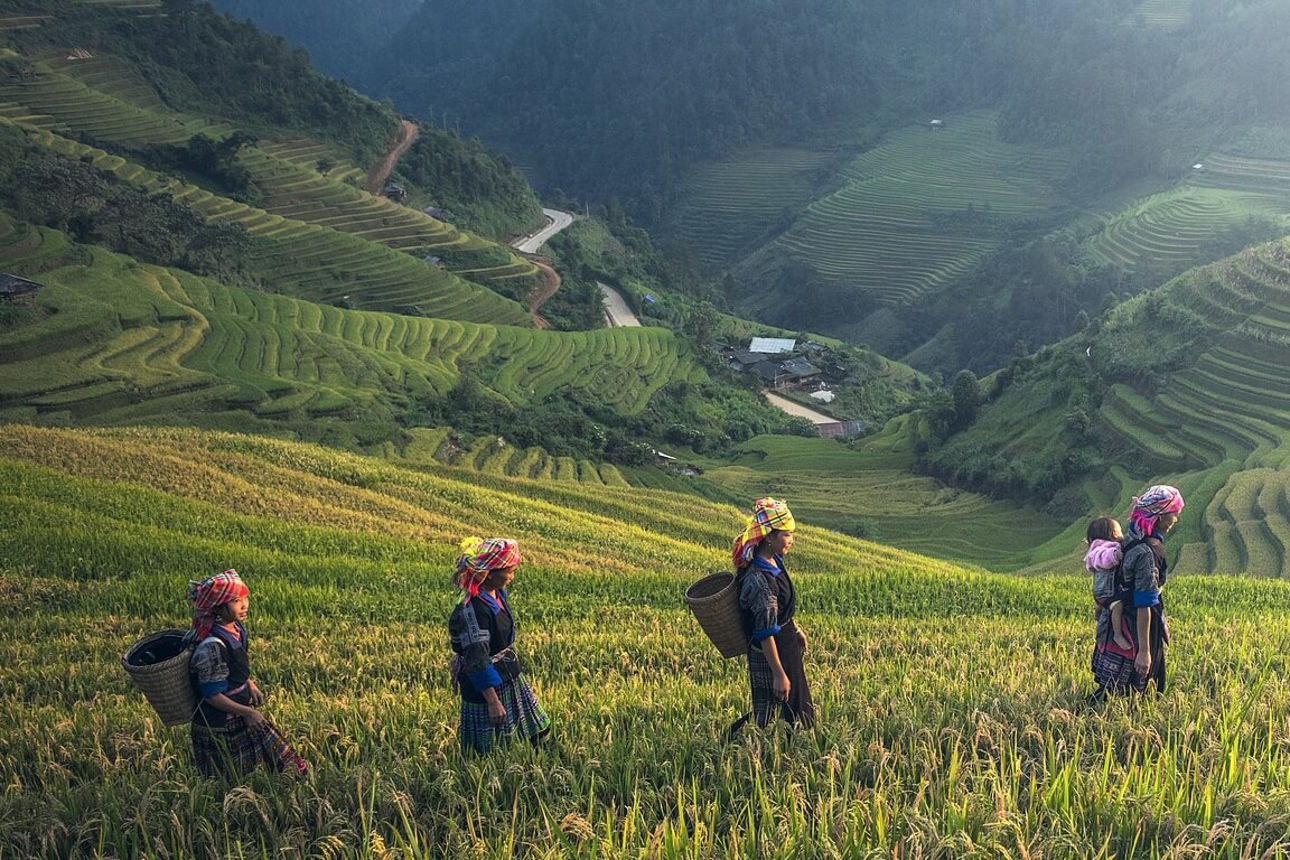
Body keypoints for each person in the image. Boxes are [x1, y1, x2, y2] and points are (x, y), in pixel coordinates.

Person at [186, 569, 309, 779]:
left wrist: (250, 685)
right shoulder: (211, 646)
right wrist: (248, 712)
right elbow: (211, 694)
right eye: (235, 601)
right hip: (219, 722)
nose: (244, 605)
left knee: (278, 762)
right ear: (217, 607)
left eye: (245, 598)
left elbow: (235, 667)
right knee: (228, 777)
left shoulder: (237, 629)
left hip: (239, 709)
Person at [449, 537, 551, 755]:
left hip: (509, 674)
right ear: (490, 573)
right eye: (509, 571)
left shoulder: (496, 594)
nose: (512, 577)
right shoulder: (473, 609)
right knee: (485, 750)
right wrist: (493, 701)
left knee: (539, 731)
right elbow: (477, 658)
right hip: (485, 686)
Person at [1089, 486, 1184, 699]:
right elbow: (1144, 603)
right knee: (1128, 694)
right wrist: (1144, 651)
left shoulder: (1132, 537)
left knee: (1112, 690)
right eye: (1174, 514)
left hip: (1118, 620)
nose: (1176, 519)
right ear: (1159, 518)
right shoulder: (1148, 552)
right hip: (1135, 625)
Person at [731, 497, 814, 732]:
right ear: (769, 537)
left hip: (785, 643)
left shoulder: (774, 560)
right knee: (771, 714)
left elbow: (779, 610)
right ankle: (742, 746)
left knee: (797, 710)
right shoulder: (760, 579)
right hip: (772, 653)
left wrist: (795, 629)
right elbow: (765, 631)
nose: (791, 540)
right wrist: (779, 674)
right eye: (786, 535)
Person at [1085, 516, 1131, 650]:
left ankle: (1099, 615)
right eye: (1119, 531)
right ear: (1112, 534)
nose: (1122, 534)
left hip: (1103, 592)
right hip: (1105, 591)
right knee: (1118, 606)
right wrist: (1115, 556)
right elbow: (1103, 558)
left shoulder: (1106, 546)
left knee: (1104, 609)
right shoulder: (1101, 548)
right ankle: (1117, 635)